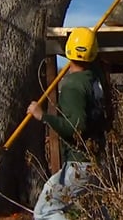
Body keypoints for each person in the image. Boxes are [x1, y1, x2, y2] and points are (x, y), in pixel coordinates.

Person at [28, 27, 107, 220]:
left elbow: (76, 128)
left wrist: (42, 116)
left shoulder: (73, 85)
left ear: (68, 51)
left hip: (79, 163)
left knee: (46, 210)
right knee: (96, 212)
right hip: (96, 159)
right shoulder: (95, 80)